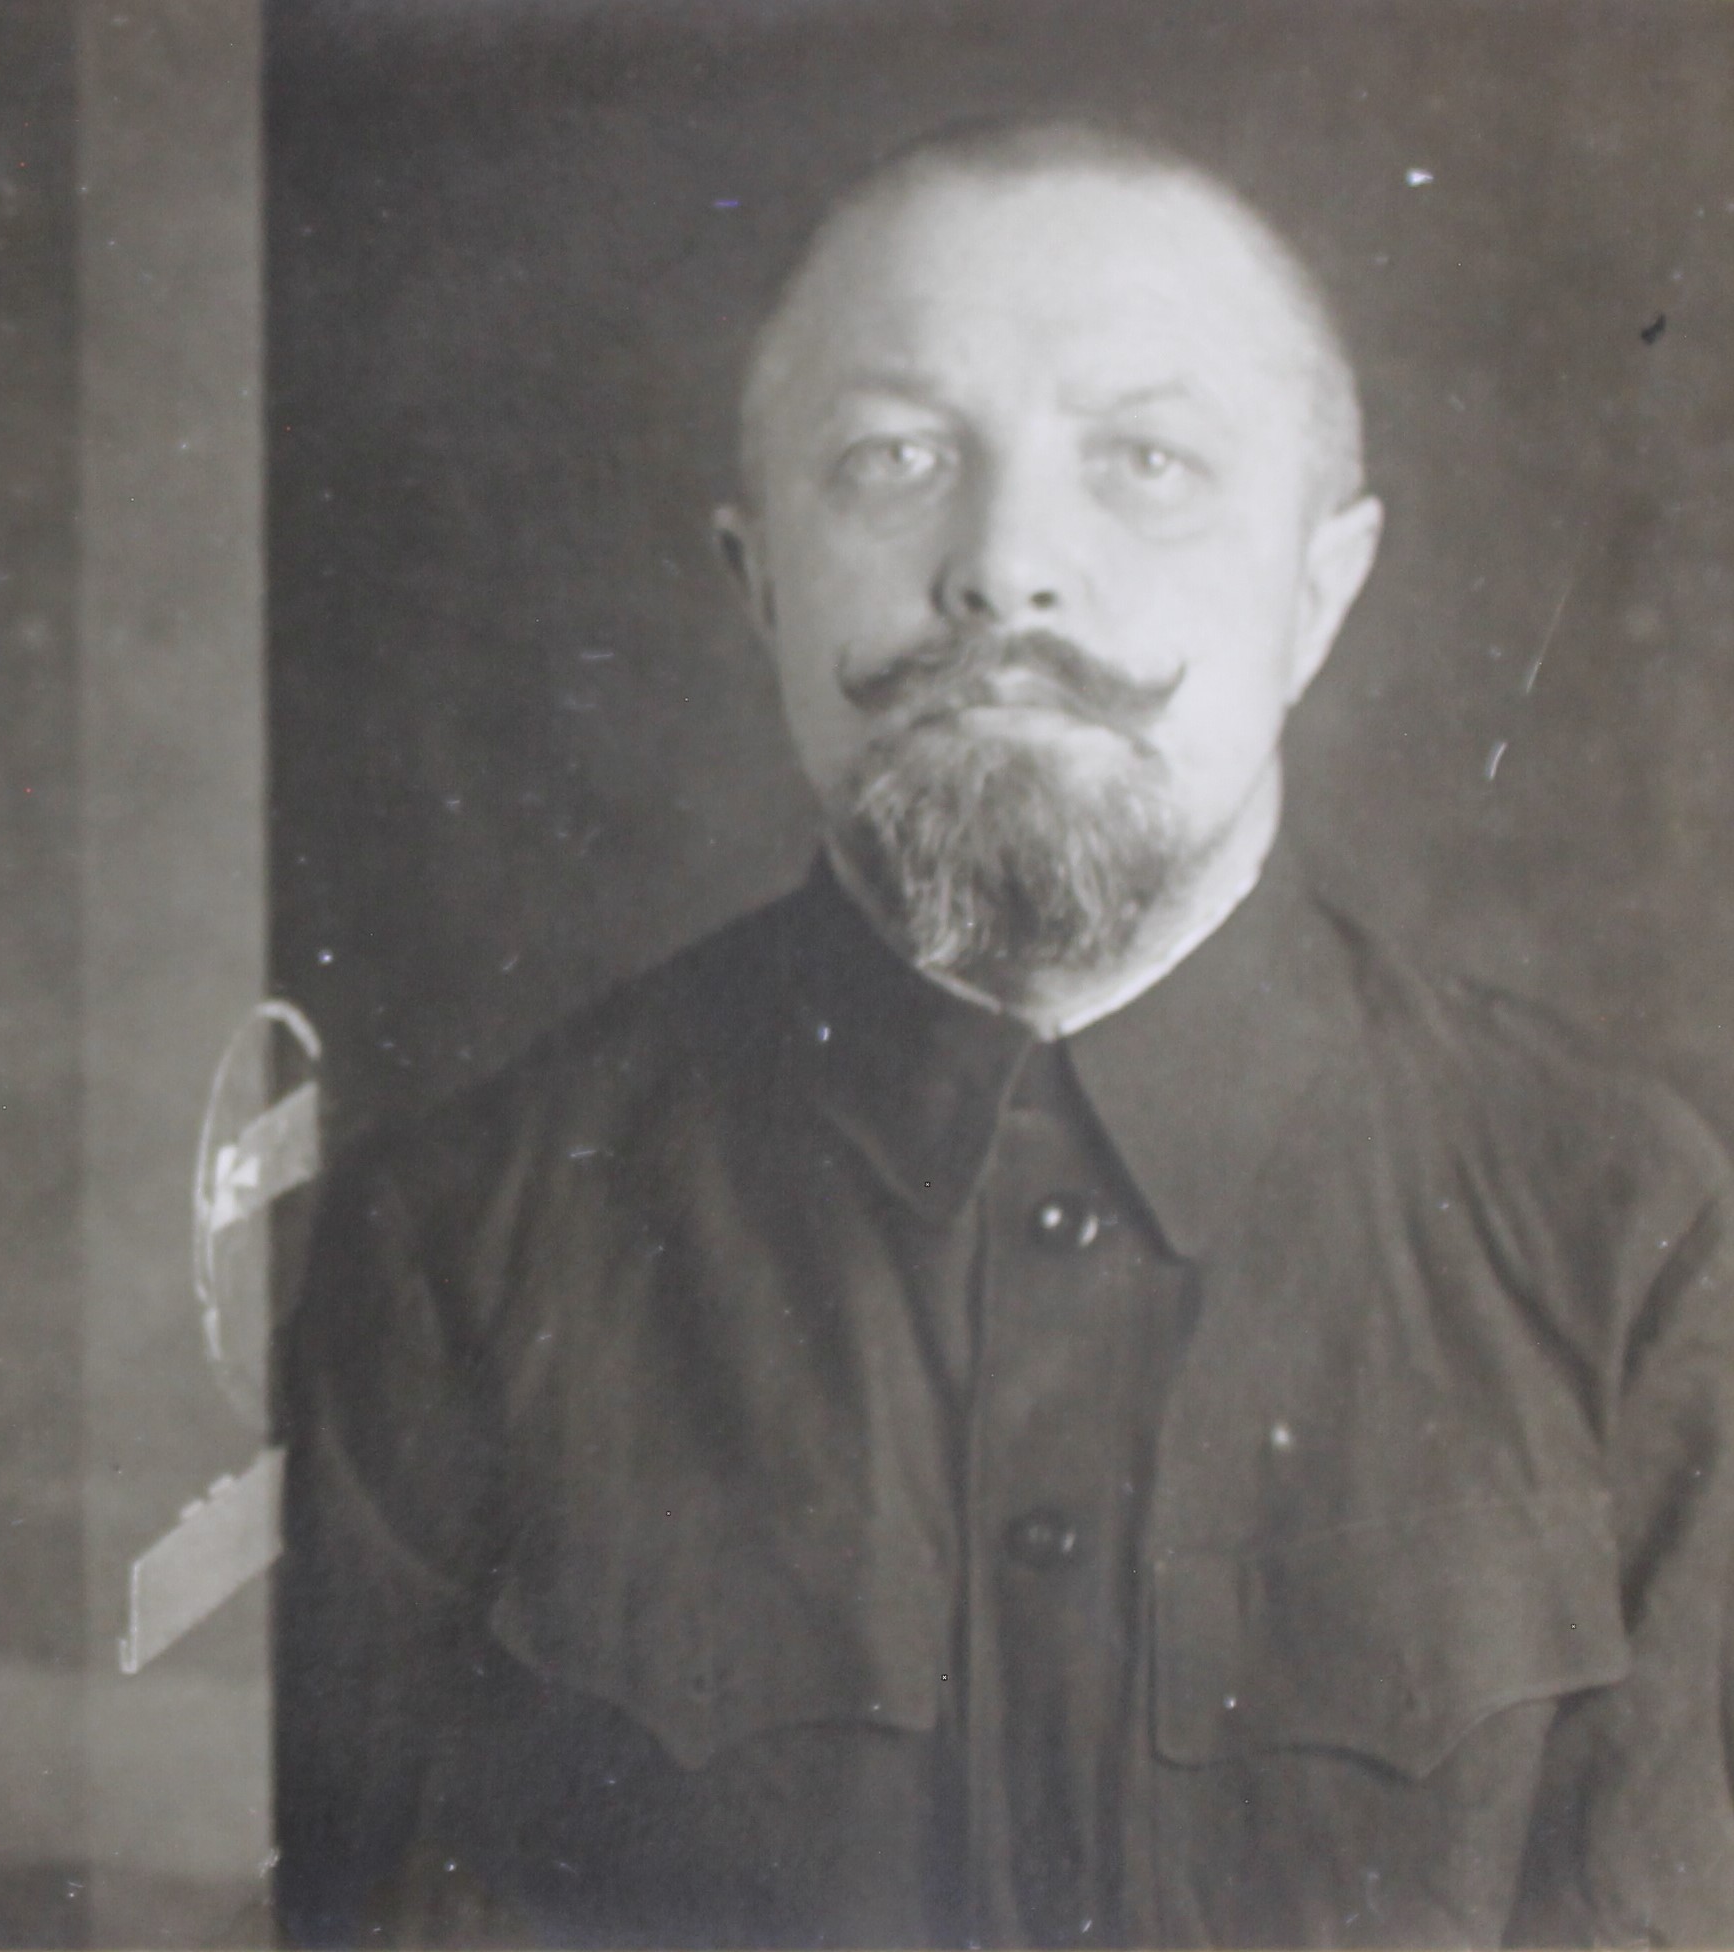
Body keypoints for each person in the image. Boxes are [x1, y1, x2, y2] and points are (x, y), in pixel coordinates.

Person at [275, 116, 1734, 1948]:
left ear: (1322, 588)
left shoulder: (1633, 1243)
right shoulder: (459, 1254)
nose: (1005, 569)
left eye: (1148, 461)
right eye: (893, 458)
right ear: (758, 578)